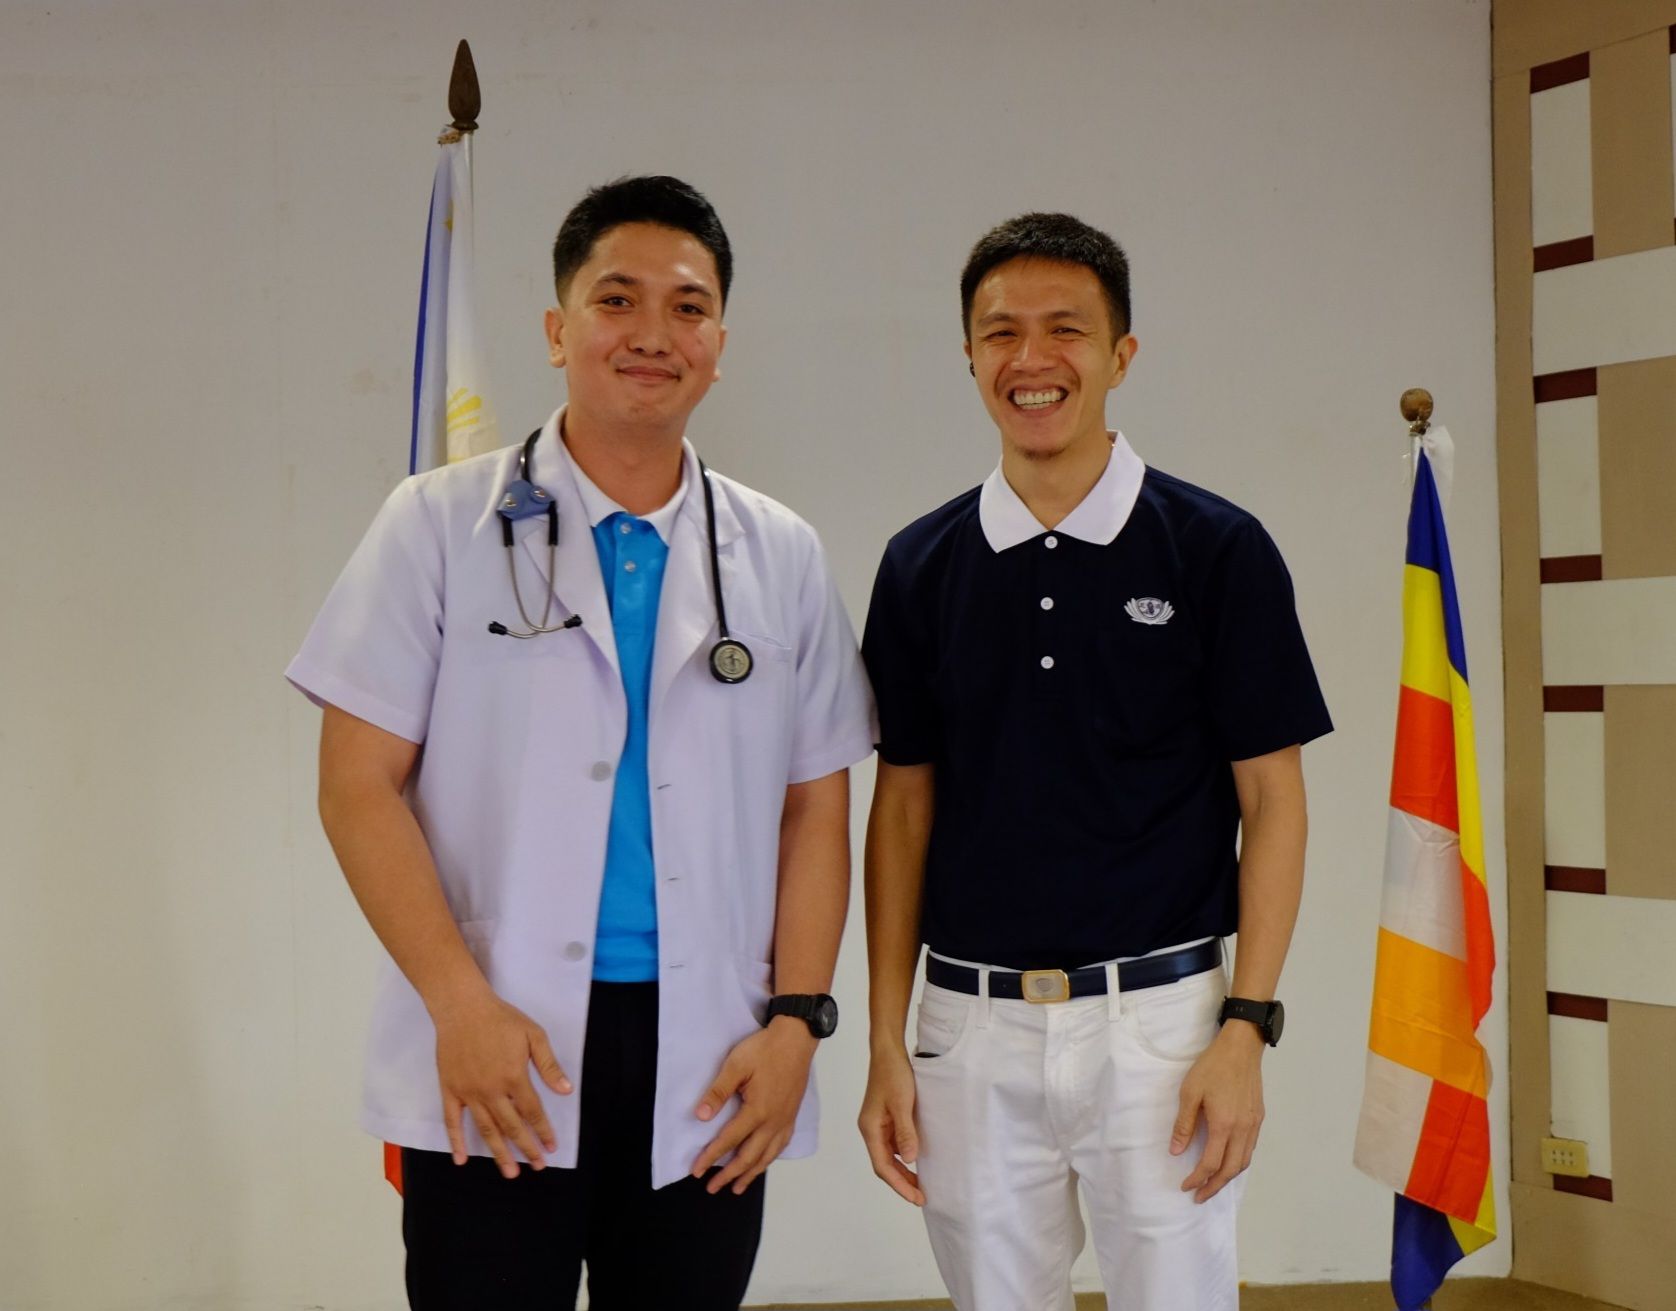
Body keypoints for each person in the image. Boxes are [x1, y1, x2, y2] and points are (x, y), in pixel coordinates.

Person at [287, 175, 873, 1310]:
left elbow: (817, 807)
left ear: (719, 344)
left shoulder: (781, 552)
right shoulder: (434, 524)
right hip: (496, 1045)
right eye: (617, 299)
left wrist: (799, 1022)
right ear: (558, 331)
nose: (653, 333)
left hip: (711, 1055)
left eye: (688, 307)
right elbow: (357, 788)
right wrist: (457, 1004)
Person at [856, 212, 1332, 1311]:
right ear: (968, 355)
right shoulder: (920, 566)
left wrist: (1243, 1029)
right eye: (998, 332)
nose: (1030, 360)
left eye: (1064, 330)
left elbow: (1273, 801)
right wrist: (886, 1041)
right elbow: (900, 816)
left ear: (1120, 354)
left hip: (1162, 1030)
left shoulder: (1215, 548)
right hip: (966, 1033)